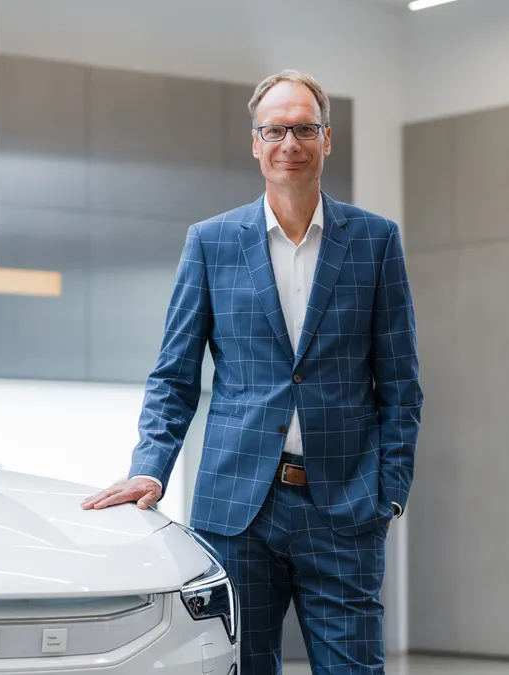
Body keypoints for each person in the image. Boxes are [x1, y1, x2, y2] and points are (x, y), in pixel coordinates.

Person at [81, 69, 422, 674]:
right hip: (237, 511)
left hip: (344, 508)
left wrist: (388, 495)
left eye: (303, 128)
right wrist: (149, 469)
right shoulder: (211, 242)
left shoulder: (376, 242)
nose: (290, 142)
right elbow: (174, 377)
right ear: (255, 142)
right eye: (275, 130)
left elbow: (400, 384)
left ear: (327, 138)